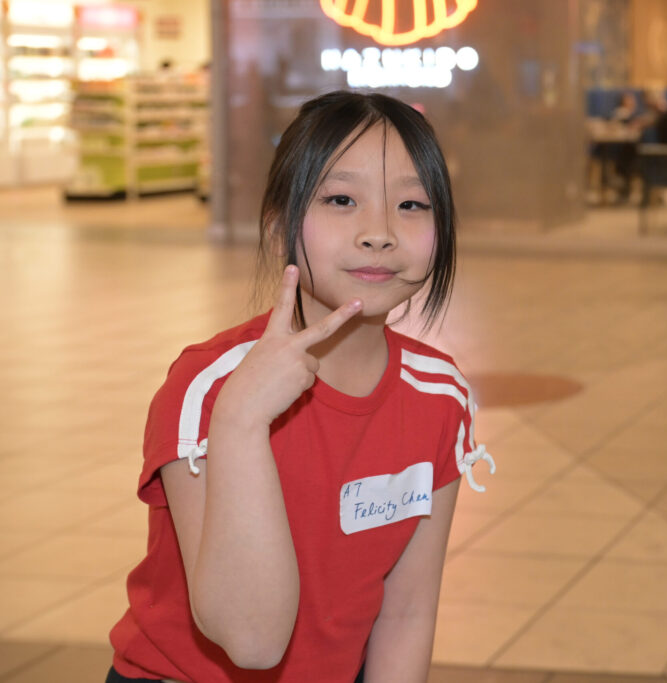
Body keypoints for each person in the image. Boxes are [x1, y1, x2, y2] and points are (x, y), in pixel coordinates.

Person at [106, 91, 494, 683]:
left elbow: (407, 612)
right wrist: (241, 421)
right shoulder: (207, 388)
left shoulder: (440, 395)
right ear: (277, 229)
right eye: (341, 199)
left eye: (412, 204)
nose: (379, 232)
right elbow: (252, 641)